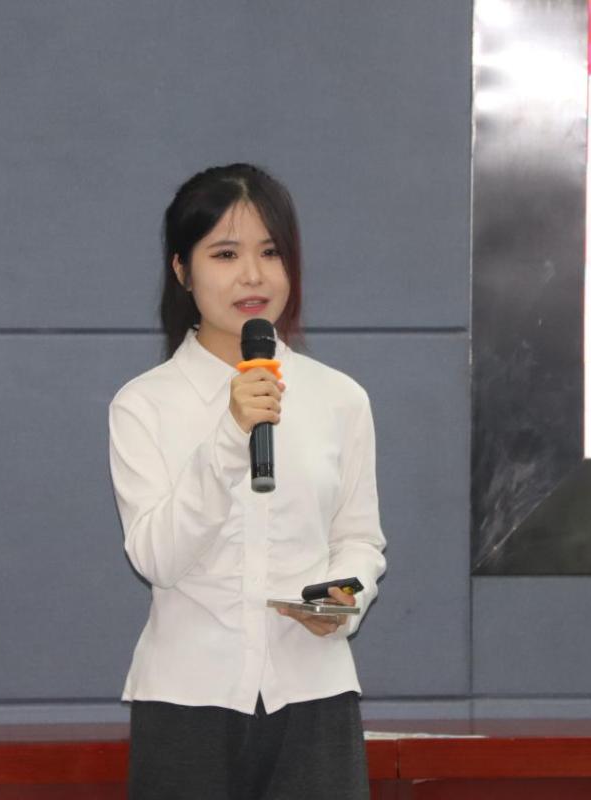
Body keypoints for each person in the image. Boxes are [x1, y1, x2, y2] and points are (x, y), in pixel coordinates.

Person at [108, 163, 386, 799]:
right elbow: (156, 558)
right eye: (226, 254)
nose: (253, 276)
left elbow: (360, 539)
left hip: (314, 697)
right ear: (182, 270)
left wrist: (344, 595)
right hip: (186, 703)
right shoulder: (144, 404)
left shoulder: (339, 398)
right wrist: (231, 436)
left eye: (271, 252)